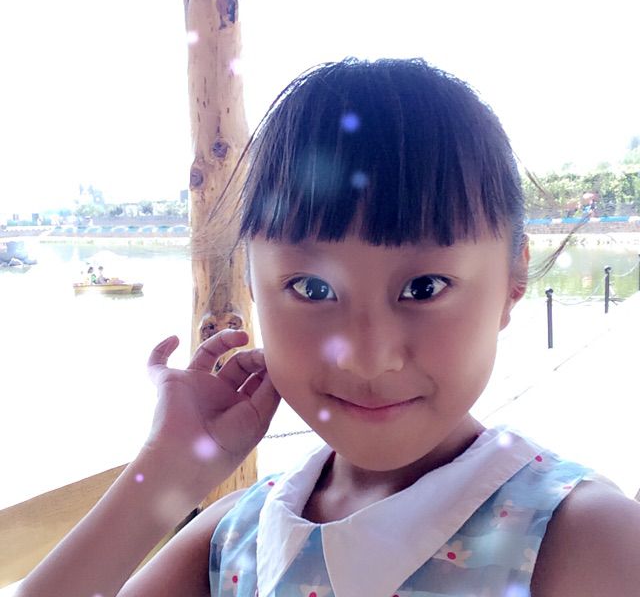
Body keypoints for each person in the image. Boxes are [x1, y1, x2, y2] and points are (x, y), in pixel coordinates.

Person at [17, 59, 640, 597]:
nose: (367, 357)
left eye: (425, 287)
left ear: (513, 281)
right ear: (254, 285)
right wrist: (170, 471)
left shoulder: (582, 539)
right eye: (312, 289)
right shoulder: (236, 535)